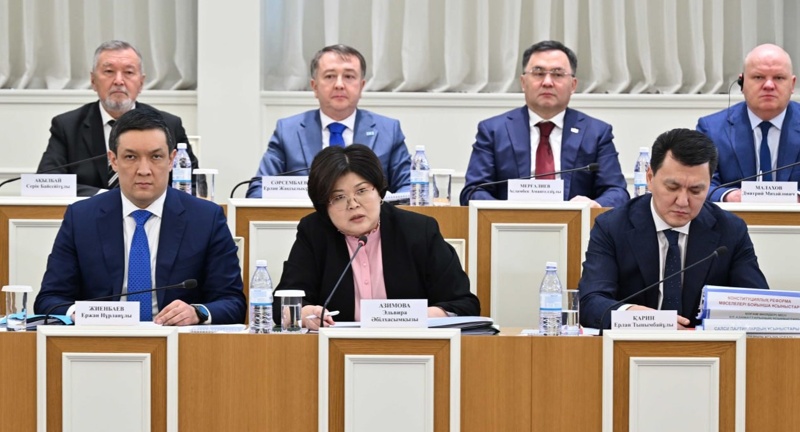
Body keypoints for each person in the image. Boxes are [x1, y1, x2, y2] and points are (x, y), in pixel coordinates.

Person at [35, 108, 246, 325]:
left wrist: (197, 312)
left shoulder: (206, 218)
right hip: (102, 337)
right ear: (113, 161)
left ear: (172, 160)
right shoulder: (81, 218)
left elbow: (233, 302)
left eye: (156, 157)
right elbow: (49, 300)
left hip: (176, 338)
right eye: (131, 157)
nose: (144, 170)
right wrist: (77, 313)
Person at [578, 129, 768, 329]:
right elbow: (591, 303)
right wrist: (641, 319)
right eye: (672, 187)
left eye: (696, 190)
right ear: (650, 178)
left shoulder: (730, 230)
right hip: (634, 343)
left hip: (705, 346)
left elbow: (757, 306)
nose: (683, 201)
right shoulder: (613, 226)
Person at [274, 144, 479, 330]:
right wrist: (305, 314)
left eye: (362, 191)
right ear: (323, 206)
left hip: (412, 346)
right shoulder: (314, 232)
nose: (353, 204)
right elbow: (282, 304)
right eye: (339, 197)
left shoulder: (418, 230)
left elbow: (464, 304)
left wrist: (417, 317)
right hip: (337, 348)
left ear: (379, 191)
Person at [460, 40, 629, 207]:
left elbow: (617, 191)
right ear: (523, 82)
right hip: (508, 223)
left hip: (577, 223)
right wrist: (504, 212)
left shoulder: (596, 133)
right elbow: (473, 191)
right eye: (538, 73)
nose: (547, 82)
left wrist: (594, 205)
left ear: (573, 85)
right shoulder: (494, 131)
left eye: (558, 74)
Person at [37, 40, 198, 196]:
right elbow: (47, 182)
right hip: (91, 212)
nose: (119, 81)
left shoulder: (168, 124)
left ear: (141, 83)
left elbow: (192, 183)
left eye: (128, 72)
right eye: (109, 71)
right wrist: (105, 198)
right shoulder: (67, 126)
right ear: (93, 80)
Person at [246, 45, 411, 198]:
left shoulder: (388, 131)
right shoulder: (288, 131)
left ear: (361, 86)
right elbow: (258, 190)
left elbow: (410, 187)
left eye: (349, 76)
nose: (339, 85)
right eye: (330, 76)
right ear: (314, 86)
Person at [697, 43, 800, 202]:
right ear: (742, 82)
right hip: (734, 217)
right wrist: (730, 197)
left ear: (792, 84)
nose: (769, 85)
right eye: (759, 77)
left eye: (779, 78)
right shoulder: (711, 129)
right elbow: (698, 183)